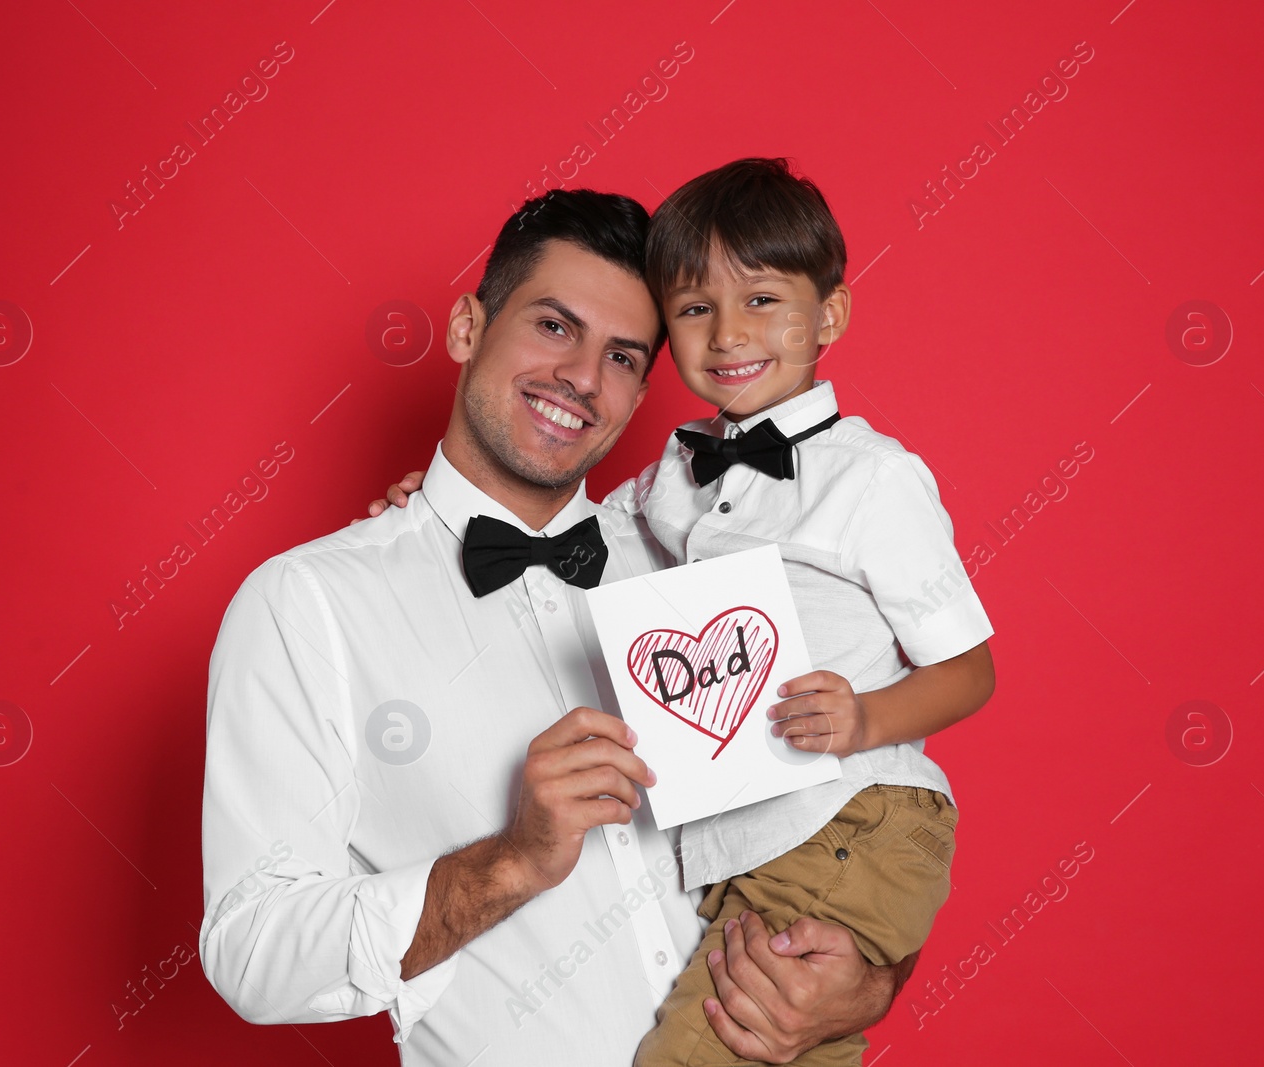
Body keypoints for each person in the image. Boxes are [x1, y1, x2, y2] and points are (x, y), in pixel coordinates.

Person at [200, 187, 908, 1067]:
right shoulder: (308, 606)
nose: (581, 377)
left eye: (621, 355)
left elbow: (859, 803)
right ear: (467, 329)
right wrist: (511, 861)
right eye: (553, 326)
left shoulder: (700, 557)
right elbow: (250, 947)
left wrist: (874, 974)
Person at [376, 158, 997, 1066]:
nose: (728, 333)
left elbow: (971, 670)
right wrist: (438, 509)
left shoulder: (875, 480)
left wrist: (863, 716)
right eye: (696, 308)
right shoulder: (673, 476)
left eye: (763, 301)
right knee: (787, 1043)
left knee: (693, 1051)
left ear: (829, 316)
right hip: (745, 841)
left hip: (851, 819)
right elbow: (566, 535)